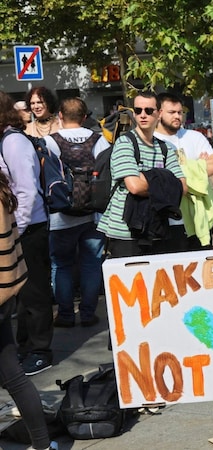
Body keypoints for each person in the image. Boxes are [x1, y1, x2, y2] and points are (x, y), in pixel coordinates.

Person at [0, 168, 58, 450]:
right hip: (5, 290)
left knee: (13, 374)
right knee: (13, 374)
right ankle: (42, 444)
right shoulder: (2, 187)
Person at [96, 91, 187, 258]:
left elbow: (182, 187)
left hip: (156, 229)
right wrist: (163, 179)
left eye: (148, 110)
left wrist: (147, 177)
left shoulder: (166, 148)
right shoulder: (125, 143)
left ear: (159, 114)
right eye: (138, 110)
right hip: (125, 233)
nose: (142, 115)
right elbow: (135, 187)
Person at [0, 91, 53, 376]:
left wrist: (16, 228)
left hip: (28, 228)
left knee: (35, 293)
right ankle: (26, 346)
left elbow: (27, 190)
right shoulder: (6, 140)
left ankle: (40, 350)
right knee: (20, 294)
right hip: (18, 228)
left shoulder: (14, 142)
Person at [45, 98, 109, 328]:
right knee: (91, 263)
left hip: (61, 217)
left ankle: (65, 315)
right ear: (84, 117)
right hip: (93, 215)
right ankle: (88, 313)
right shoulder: (99, 140)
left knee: (61, 264)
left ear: (60, 116)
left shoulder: (50, 142)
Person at [154, 92, 213, 250]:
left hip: (200, 218)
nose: (177, 116)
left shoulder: (194, 136)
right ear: (159, 113)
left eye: (180, 112)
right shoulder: (152, 141)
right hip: (170, 220)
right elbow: (161, 177)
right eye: (172, 112)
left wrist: (178, 172)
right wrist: (197, 166)